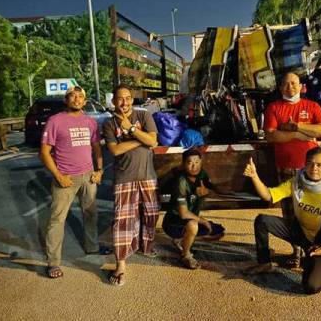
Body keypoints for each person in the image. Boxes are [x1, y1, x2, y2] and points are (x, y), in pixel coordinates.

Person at [243, 146, 321, 294]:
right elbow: (268, 196)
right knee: (262, 220)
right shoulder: (296, 182)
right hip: (300, 233)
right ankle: (264, 263)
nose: (314, 168)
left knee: (311, 287)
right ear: (304, 165)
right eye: (310, 163)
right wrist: (254, 176)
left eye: (319, 165)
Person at [263, 72, 321, 268]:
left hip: (311, 168)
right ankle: (296, 251)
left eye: (294, 83)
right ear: (280, 88)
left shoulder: (312, 106)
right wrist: (304, 134)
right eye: (285, 84)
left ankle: (315, 250)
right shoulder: (273, 108)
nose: (290, 87)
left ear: (301, 86)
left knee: (313, 210)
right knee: (290, 211)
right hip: (286, 167)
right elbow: (272, 136)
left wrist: (295, 128)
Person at [40, 86, 103, 279]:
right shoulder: (55, 121)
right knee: (57, 220)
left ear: (84, 101)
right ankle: (53, 263)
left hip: (88, 176)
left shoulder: (90, 122)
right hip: (65, 178)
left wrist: (99, 170)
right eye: (73, 96)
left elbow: (97, 148)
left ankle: (92, 247)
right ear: (66, 100)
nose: (77, 99)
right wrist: (58, 176)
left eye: (80, 97)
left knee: (91, 214)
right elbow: (44, 152)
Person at [103, 85, 160, 286]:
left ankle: (146, 246)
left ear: (132, 100)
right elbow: (116, 150)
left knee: (151, 214)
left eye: (127, 98)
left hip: (148, 176)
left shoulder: (143, 116)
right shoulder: (109, 124)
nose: (124, 102)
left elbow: (153, 141)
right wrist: (141, 139)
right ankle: (121, 264)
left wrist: (132, 129)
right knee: (122, 220)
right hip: (124, 178)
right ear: (113, 102)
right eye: (120, 99)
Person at [162, 148, 225, 269]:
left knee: (218, 232)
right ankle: (185, 255)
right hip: (173, 222)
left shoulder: (202, 174)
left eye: (197, 162)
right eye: (190, 162)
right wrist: (203, 221)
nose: (194, 166)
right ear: (183, 164)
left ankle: (181, 240)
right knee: (193, 225)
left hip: (191, 218)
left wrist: (207, 192)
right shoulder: (181, 182)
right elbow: (183, 214)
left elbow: (214, 191)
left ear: (201, 162)